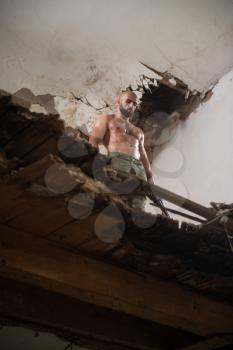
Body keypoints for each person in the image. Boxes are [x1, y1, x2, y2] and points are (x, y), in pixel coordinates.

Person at [89, 91, 155, 188]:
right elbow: (93, 142)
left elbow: (143, 157)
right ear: (118, 102)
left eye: (134, 104)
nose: (131, 105)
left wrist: (150, 178)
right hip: (117, 160)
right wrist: (95, 165)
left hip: (137, 166)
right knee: (117, 193)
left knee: (139, 200)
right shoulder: (107, 119)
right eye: (128, 101)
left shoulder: (139, 131)